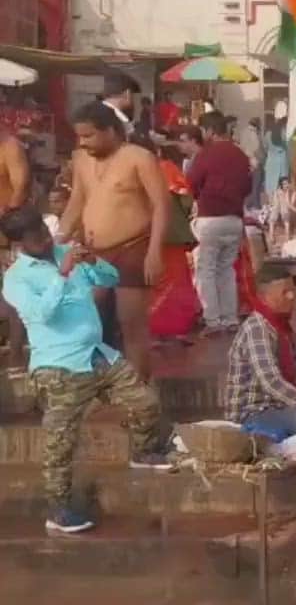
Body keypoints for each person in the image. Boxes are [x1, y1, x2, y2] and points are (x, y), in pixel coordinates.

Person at [0, 207, 171, 534]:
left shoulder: (65, 252)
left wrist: (94, 262)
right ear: (21, 244)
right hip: (58, 367)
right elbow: (42, 314)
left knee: (145, 401)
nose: (47, 241)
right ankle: (59, 509)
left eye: (46, 233)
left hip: (97, 354)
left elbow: (111, 278)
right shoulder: (16, 278)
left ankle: (144, 450)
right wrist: (61, 276)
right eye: (37, 239)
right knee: (60, 442)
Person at [58, 101, 169, 380]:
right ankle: (104, 388)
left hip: (133, 247)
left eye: (89, 136)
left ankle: (141, 393)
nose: (83, 142)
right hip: (94, 251)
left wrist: (155, 251)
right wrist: (58, 240)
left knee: (131, 324)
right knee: (88, 321)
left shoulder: (138, 157)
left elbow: (162, 206)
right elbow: (77, 202)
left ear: (109, 130)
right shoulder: (81, 159)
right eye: (79, 136)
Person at [225, 262, 296, 441]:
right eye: (284, 293)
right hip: (252, 414)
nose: (292, 297)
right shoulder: (258, 328)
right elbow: (272, 381)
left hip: (277, 407)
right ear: (264, 297)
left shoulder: (280, 325)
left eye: (293, 290)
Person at [187, 112, 253, 336]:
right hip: (234, 219)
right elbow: (247, 188)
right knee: (226, 270)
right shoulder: (241, 155)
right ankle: (230, 318)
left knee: (206, 270)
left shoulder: (206, 155)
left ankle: (213, 320)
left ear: (210, 131)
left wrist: (198, 199)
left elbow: (192, 183)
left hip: (209, 218)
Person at [149, 144, 201, 343]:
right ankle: (178, 329)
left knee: (155, 284)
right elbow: (187, 202)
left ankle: (155, 330)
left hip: (147, 236)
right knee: (178, 282)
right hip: (174, 236)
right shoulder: (169, 170)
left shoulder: (136, 170)